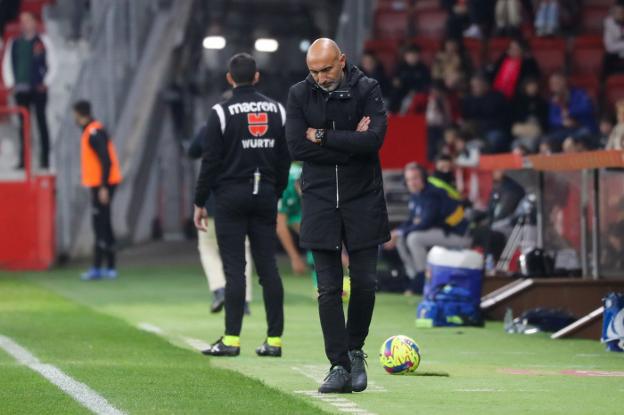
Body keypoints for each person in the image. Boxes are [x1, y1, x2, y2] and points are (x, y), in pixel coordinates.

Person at [285, 38, 389, 394]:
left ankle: (355, 350)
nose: (321, 77)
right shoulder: (299, 94)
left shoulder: (368, 89)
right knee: (327, 289)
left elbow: (374, 140)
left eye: (327, 69)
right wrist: (347, 143)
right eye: (314, 71)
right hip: (320, 201)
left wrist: (322, 138)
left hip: (363, 199)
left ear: (342, 60)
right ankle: (338, 364)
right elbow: (296, 146)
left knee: (364, 283)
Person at [193, 53, 290, 358]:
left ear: (229, 78)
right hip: (265, 195)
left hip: (230, 198)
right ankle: (274, 341)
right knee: (269, 269)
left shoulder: (220, 113)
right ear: (257, 77)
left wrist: (199, 201)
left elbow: (209, 161)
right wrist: (277, 190)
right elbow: (285, 157)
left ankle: (231, 340)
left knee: (235, 270)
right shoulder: (277, 110)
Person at [188, 124, 253, 314]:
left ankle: (219, 289)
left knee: (208, 247)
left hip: (213, 199)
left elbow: (192, 151)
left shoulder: (209, 127)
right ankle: (244, 301)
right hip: (241, 196)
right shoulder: (247, 127)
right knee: (242, 250)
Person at [386, 163, 470, 295]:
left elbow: (425, 222)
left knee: (414, 238)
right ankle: (413, 277)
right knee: (401, 238)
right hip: (441, 232)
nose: (412, 183)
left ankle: (423, 279)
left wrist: (402, 231)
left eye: (415, 178)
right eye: (409, 179)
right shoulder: (416, 194)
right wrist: (396, 233)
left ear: (423, 178)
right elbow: (411, 221)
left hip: (459, 235)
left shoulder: (432, 193)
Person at [72, 100, 122, 281]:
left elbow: (105, 160)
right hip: (103, 183)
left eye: (75, 114)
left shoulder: (93, 132)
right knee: (104, 223)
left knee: (100, 224)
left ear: (79, 113)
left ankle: (98, 267)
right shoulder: (94, 129)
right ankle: (109, 267)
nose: (74, 118)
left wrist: (103, 187)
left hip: (103, 185)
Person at [2, 11, 57, 169]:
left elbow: (52, 62)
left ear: (34, 22)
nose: (25, 24)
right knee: (23, 126)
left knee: (41, 123)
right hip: (21, 89)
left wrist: (46, 82)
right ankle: (24, 160)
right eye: (22, 21)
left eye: (28, 20)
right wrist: (11, 82)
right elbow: (7, 64)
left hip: (38, 88)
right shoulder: (15, 43)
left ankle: (44, 159)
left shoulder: (43, 41)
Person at [461, 73, 510, 153]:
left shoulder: (497, 97)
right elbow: (466, 118)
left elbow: (504, 119)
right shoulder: (469, 99)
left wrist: (483, 126)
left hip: (494, 130)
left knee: (494, 140)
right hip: (474, 133)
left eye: (477, 85)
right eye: (472, 86)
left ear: (485, 84)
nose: (474, 88)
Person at [547, 72, 597, 146]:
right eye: (552, 84)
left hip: (583, 128)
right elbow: (552, 119)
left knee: (574, 140)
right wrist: (562, 122)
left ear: (564, 81)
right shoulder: (554, 100)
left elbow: (587, 108)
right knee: (548, 141)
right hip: (565, 131)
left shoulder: (579, 93)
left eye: (557, 82)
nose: (554, 86)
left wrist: (570, 112)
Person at [389, 44, 431, 113]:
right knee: (394, 94)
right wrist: (395, 82)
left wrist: (416, 91)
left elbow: (426, 84)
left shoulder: (423, 69)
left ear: (418, 56)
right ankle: (393, 114)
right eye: (410, 55)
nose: (412, 57)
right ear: (405, 56)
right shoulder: (400, 67)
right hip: (402, 92)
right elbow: (394, 80)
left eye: (414, 55)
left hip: (417, 94)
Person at [511, 77, 549, 153]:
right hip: (522, 129)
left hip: (536, 130)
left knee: (532, 141)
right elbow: (515, 120)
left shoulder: (541, 102)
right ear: (525, 87)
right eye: (530, 86)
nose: (533, 88)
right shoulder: (518, 101)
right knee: (515, 144)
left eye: (534, 86)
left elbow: (544, 120)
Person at [603, 3, 624, 78]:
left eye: (621, 12)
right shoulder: (609, 24)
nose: (619, 14)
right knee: (608, 57)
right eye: (616, 12)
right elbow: (609, 47)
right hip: (614, 59)